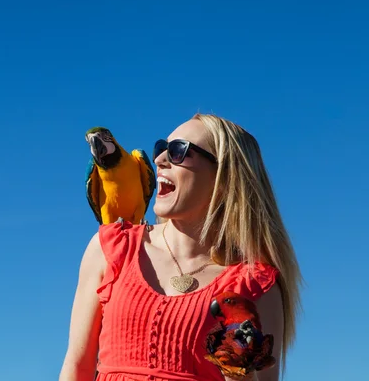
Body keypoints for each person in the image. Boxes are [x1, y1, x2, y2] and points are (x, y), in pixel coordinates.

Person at [59, 114, 303, 381]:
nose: (159, 160)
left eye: (179, 151)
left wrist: (238, 371)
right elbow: (77, 366)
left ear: (223, 178)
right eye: (161, 148)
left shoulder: (256, 284)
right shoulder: (112, 248)